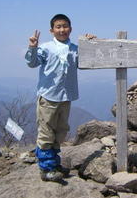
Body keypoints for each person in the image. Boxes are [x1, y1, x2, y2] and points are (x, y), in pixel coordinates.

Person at [25, 14, 94, 182]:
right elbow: (32, 63)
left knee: (60, 132)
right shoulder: (46, 47)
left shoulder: (75, 49)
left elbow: (86, 62)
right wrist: (33, 47)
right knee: (46, 132)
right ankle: (46, 168)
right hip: (48, 96)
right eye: (58, 26)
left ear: (71, 28)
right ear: (51, 30)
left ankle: (54, 164)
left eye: (65, 26)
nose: (62, 29)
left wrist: (89, 44)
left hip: (65, 96)